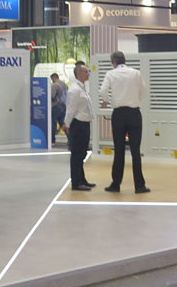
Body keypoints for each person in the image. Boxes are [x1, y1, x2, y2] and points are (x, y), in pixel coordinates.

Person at [99, 51, 150, 194]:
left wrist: (106, 101)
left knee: (119, 149)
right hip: (134, 113)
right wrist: (135, 100)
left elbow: (103, 90)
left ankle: (116, 184)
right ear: (124, 60)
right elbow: (144, 92)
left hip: (119, 114)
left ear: (114, 62)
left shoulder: (111, 74)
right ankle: (139, 186)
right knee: (135, 151)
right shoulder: (136, 73)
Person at [62, 62, 94, 191]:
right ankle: (76, 182)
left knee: (82, 154)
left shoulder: (82, 88)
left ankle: (82, 179)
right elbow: (71, 109)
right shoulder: (74, 90)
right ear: (79, 73)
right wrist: (67, 124)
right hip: (78, 124)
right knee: (77, 155)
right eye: (86, 71)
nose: (88, 73)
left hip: (84, 124)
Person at [49, 72, 68, 144]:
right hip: (64, 106)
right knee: (62, 123)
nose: (52, 81)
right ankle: (70, 138)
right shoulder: (65, 85)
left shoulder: (55, 85)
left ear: (54, 78)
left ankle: (52, 140)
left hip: (56, 107)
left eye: (52, 79)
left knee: (53, 123)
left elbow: (52, 96)